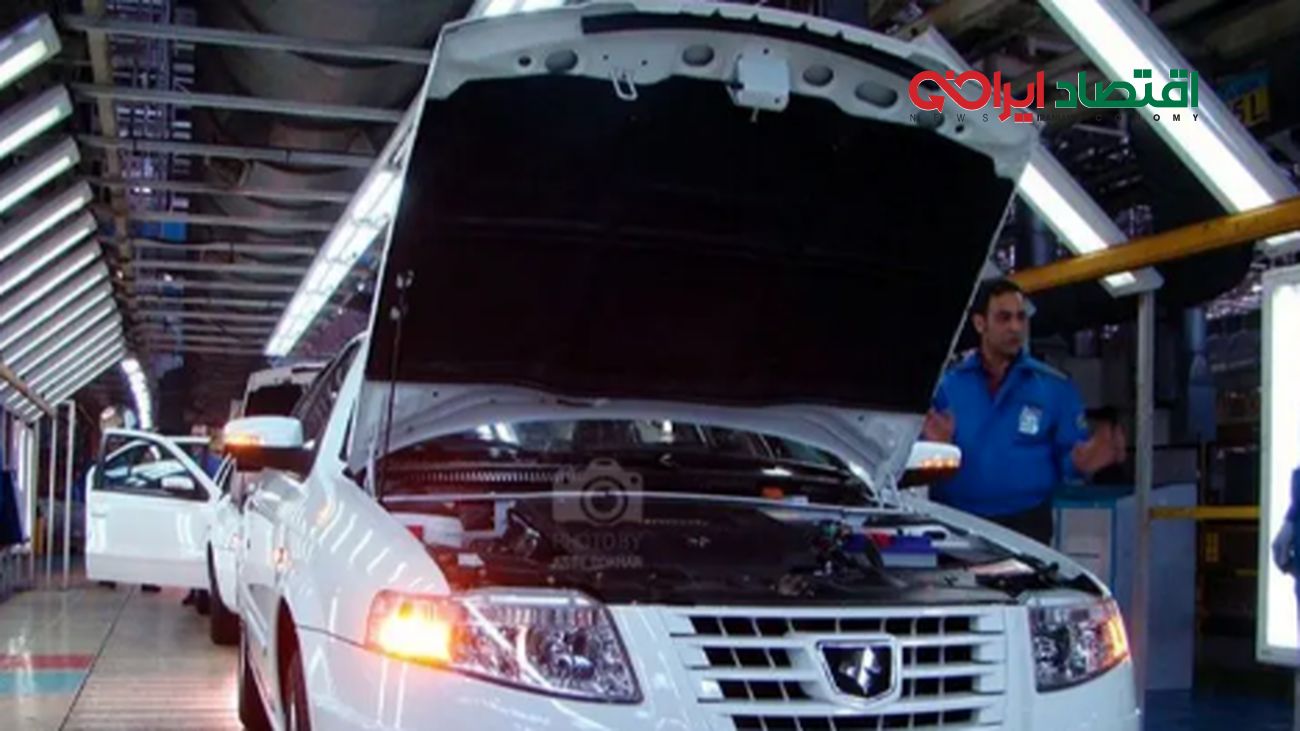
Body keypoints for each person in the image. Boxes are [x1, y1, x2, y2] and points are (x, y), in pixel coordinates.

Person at [922, 278, 1126, 544]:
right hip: (957, 524)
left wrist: (1081, 462)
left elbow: (1070, 457)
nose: (1015, 327)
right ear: (980, 323)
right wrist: (933, 448)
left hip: (1028, 526)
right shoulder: (946, 386)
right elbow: (910, 460)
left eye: (1021, 317)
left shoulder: (1054, 387)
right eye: (1004, 318)